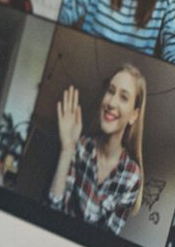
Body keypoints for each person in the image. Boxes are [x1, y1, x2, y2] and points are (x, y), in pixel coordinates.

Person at [44, 63, 147, 235]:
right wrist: (67, 149)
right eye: (111, 91)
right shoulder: (81, 146)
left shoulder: (132, 176)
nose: (112, 102)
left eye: (123, 97)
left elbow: (105, 240)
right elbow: (52, 212)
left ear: (134, 115)